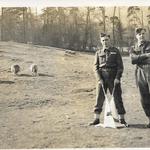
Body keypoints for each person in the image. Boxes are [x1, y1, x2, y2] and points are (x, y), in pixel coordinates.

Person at [90, 33, 128, 126]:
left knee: (117, 97)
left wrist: (117, 78)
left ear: (109, 40)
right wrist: (99, 79)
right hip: (102, 77)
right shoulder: (98, 52)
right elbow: (95, 67)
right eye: (103, 40)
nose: (105, 42)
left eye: (106, 40)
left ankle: (121, 119)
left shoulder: (116, 51)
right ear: (100, 41)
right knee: (99, 98)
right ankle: (96, 119)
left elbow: (120, 67)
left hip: (113, 77)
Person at [130, 27, 150, 128]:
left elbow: (136, 59)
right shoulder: (134, 47)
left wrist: (139, 59)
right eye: (139, 34)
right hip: (140, 73)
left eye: (143, 34)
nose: (141, 36)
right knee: (144, 98)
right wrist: (146, 55)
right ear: (136, 36)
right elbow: (133, 60)